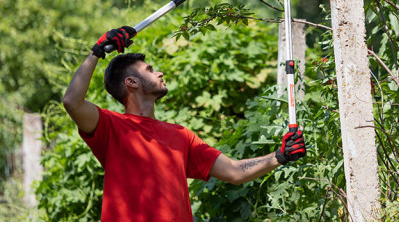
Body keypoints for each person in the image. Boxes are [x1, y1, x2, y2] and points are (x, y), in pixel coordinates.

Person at [63, 26, 306, 222]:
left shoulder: (181, 135)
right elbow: (72, 102)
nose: (159, 73)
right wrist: (97, 51)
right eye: (149, 70)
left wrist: (281, 156)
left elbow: (233, 172)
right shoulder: (110, 126)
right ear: (131, 82)